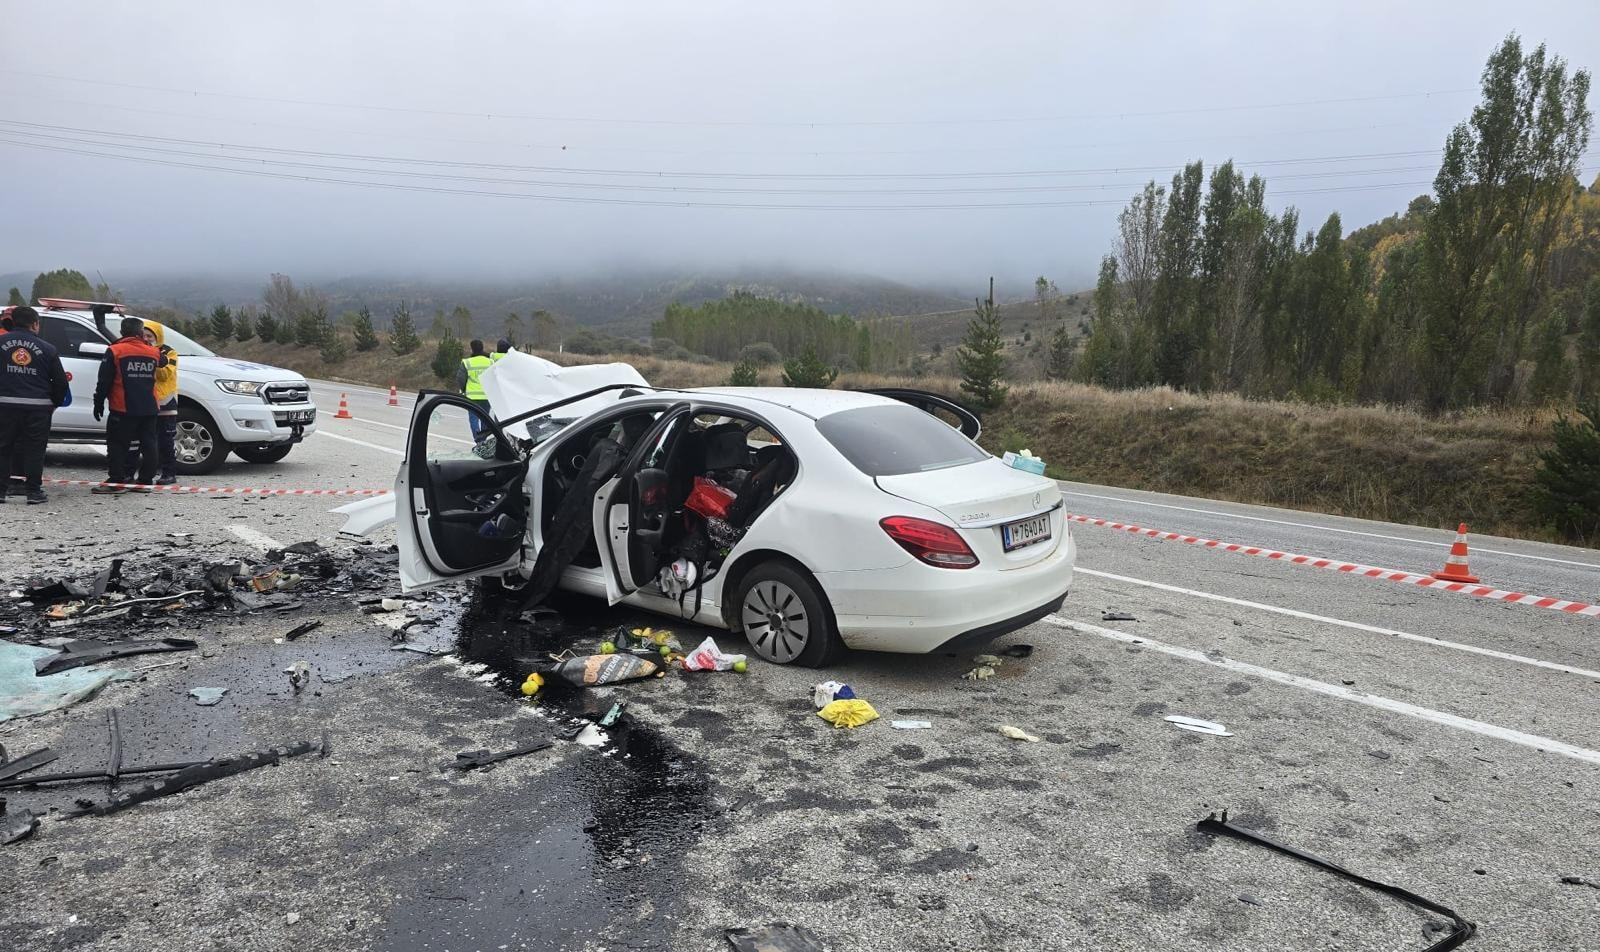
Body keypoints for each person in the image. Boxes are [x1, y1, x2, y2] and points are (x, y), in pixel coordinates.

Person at [0, 306, 69, 505]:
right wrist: (53, 404)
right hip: (37, 408)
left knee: (3, 448)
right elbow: (60, 383)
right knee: (35, 450)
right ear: (35, 324)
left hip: (4, 406)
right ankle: (33, 492)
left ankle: (1, 491)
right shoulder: (47, 348)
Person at [92, 316, 160, 495]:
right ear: (140, 333)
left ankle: (117, 481)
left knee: (117, 445)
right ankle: (145, 481)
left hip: (123, 408)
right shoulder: (153, 352)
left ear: (122, 332)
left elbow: (104, 381)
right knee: (149, 444)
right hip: (149, 407)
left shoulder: (115, 351)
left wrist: (98, 402)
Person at [456, 338, 494, 441]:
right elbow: (494, 377)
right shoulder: (490, 362)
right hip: (486, 396)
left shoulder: (467, 362)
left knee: (473, 419)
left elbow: (460, 378)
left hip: (472, 397)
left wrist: (463, 389)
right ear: (482, 348)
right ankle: (484, 439)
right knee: (485, 419)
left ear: (472, 349)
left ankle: (479, 441)